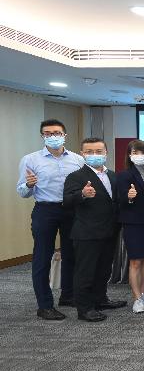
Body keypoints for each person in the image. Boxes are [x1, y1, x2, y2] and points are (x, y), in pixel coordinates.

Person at [17, 119, 84, 320]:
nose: (53, 136)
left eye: (57, 133)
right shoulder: (30, 160)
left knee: (72, 254)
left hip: (71, 210)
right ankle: (45, 305)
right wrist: (29, 185)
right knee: (42, 257)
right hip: (45, 210)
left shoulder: (77, 159)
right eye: (48, 133)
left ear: (65, 135)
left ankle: (68, 295)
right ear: (42, 136)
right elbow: (22, 192)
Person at [62, 138, 126, 322]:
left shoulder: (113, 175)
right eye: (89, 152)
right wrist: (82, 194)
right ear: (82, 154)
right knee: (85, 272)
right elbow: (66, 201)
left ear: (106, 153)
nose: (94, 155)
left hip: (109, 230)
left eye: (99, 151)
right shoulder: (76, 176)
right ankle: (84, 309)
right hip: (87, 232)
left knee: (103, 269)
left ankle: (100, 299)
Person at [116, 140, 144, 313]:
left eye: (143, 152)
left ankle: (143, 292)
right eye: (135, 152)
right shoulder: (124, 175)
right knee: (135, 261)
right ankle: (136, 298)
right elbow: (119, 200)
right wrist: (129, 197)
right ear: (129, 155)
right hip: (134, 222)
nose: (140, 156)